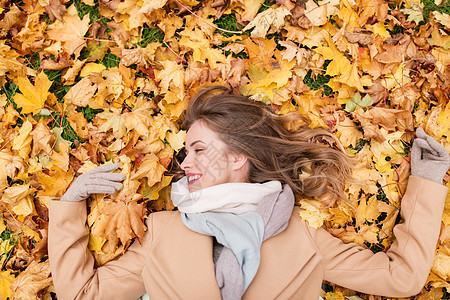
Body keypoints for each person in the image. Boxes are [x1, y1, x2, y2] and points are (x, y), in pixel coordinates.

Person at [48, 86, 450, 300]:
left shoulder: (303, 236)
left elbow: (403, 278)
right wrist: (69, 206)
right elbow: (84, 295)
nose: (184, 163)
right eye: (185, 151)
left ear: (239, 158)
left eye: (199, 150)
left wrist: (428, 179)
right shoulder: (163, 232)